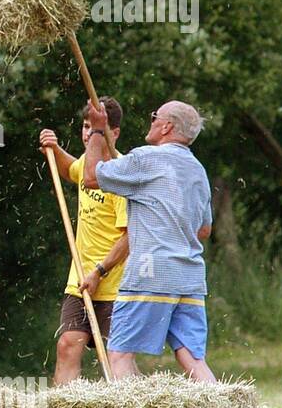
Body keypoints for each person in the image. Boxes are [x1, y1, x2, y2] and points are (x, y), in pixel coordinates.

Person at [83, 100, 215, 381]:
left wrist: (96, 131)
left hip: (149, 273)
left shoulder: (146, 159)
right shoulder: (198, 170)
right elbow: (204, 229)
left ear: (167, 126)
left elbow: (91, 178)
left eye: (155, 117)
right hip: (189, 276)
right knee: (192, 358)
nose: (151, 120)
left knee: (119, 353)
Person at [39, 97, 130, 384]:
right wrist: (53, 150)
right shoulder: (86, 165)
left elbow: (131, 237)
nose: (87, 133)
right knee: (67, 344)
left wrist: (99, 271)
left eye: (95, 128)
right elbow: (71, 171)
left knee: (117, 359)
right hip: (79, 279)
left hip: (114, 282)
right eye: (85, 126)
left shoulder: (122, 173)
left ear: (113, 133)